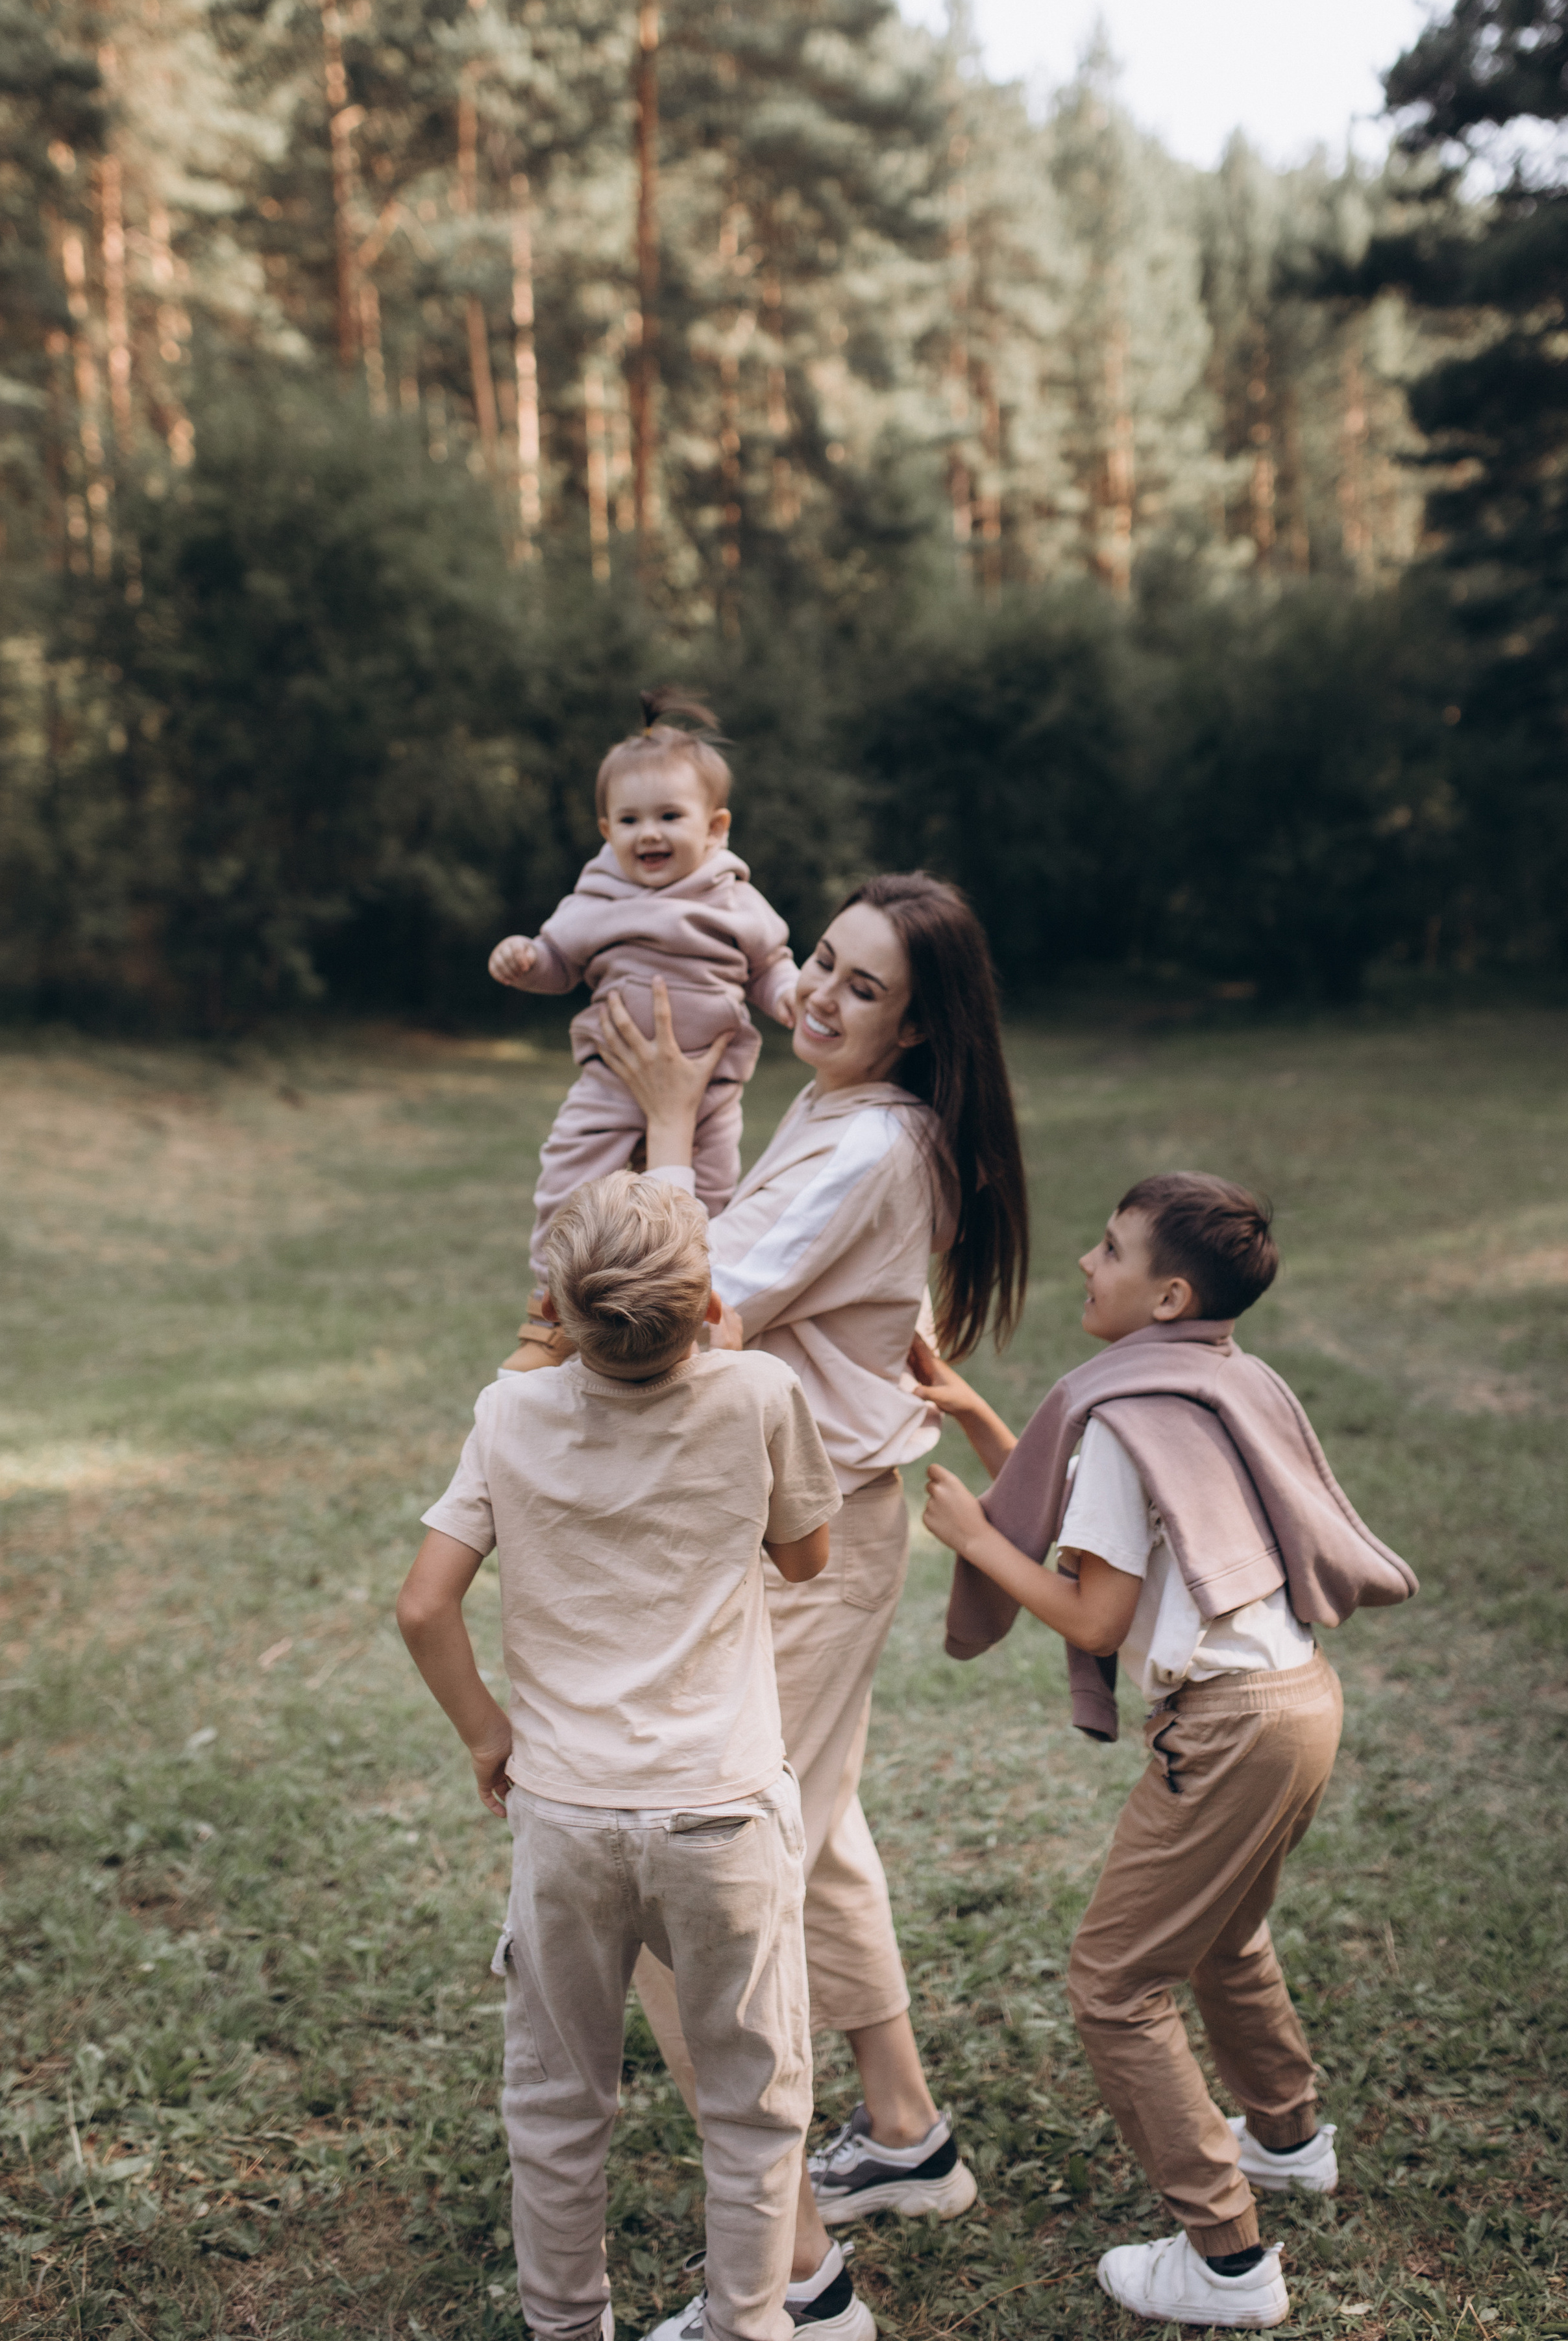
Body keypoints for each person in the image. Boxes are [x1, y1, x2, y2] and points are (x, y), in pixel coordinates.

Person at [589, 874, 1029, 2341]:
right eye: (818, 965)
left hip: (812, 1541)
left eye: (860, 990)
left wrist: (660, 1120)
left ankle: (790, 2284)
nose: (817, 999)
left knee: (686, 1882)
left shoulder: (873, 1144)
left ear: (915, 1034)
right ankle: (901, 2137)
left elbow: (697, 1309)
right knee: (811, 1825)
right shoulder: (846, 1112)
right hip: (820, 1523)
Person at [914, 1172, 1418, 2333]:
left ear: (1167, 1293)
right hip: (1299, 1698)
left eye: (1110, 1248)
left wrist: (967, 1538)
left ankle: (1229, 2265)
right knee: (1223, 1933)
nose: (1088, 1263)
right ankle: (1287, 2139)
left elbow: (1094, 1616)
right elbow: (1108, 1500)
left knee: (1113, 1982)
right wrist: (984, 1419)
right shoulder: (1210, 1383)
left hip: (1230, 1724)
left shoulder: (1130, 1416)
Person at [395, 1172, 841, 2341]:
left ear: (558, 1301)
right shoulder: (759, 1391)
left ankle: (564, 2324)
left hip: (566, 1812)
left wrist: (489, 1731)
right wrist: (731, 1354)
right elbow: (805, 1558)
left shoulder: (510, 1410)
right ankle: (749, 2322)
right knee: (752, 2104)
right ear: (702, 1302)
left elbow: (423, 1607)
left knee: (556, 2100)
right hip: (724, 1812)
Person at [487, 690, 799, 1372]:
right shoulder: (596, 897)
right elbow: (558, 962)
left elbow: (769, 967)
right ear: (606, 829)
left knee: (709, 1195)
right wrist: (524, 961)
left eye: (668, 816)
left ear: (715, 827)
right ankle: (551, 1299)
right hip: (610, 1077)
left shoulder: (732, 896)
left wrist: (791, 998)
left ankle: (690, 1301)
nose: (647, 833)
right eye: (628, 819)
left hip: (710, 1086)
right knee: (566, 1173)